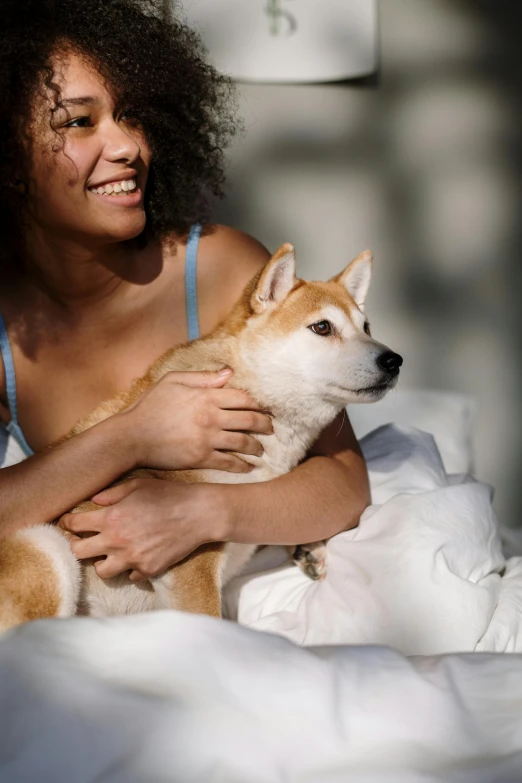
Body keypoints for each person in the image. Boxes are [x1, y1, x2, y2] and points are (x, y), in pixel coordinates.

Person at [0, 0, 370, 584]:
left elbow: (345, 484)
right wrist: (133, 434)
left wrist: (203, 512)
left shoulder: (220, 268)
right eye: (78, 121)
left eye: (133, 116)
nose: (129, 147)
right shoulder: (6, 329)